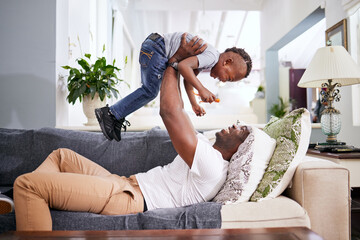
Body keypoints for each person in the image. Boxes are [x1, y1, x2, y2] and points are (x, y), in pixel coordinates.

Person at [10, 38, 251, 231]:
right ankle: (28, 209)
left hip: (127, 197)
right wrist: (184, 75)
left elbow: (169, 112)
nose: (236, 124)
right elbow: (178, 109)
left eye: (241, 130)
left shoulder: (213, 165)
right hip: (125, 183)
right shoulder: (205, 147)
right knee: (61, 156)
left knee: (27, 185)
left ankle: (25, 201)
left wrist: (175, 60)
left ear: (239, 148)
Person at [95, 32, 252, 141]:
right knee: (150, 91)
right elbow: (183, 67)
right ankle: (110, 114)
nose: (224, 81)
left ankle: (116, 116)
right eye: (229, 77)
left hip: (154, 46)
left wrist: (194, 103)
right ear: (227, 62)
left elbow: (187, 79)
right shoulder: (211, 57)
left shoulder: (206, 59)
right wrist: (202, 89)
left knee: (150, 90)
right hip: (158, 48)